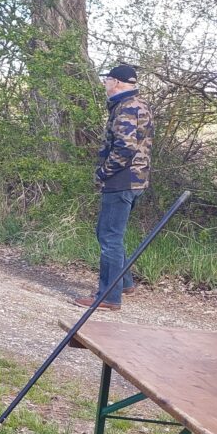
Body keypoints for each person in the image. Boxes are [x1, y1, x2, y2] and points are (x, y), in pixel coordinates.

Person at [73, 63, 153, 311]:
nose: (104, 84)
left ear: (116, 82)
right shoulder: (139, 104)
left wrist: (103, 172)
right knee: (110, 233)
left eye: (107, 80)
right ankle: (124, 283)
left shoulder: (126, 107)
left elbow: (125, 148)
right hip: (136, 180)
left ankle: (108, 297)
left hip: (121, 180)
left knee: (109, 237)